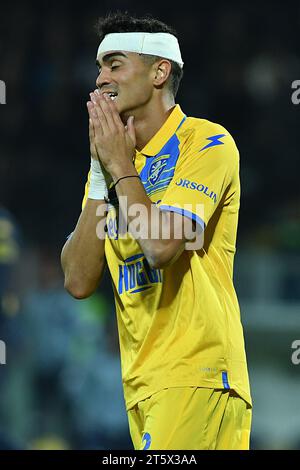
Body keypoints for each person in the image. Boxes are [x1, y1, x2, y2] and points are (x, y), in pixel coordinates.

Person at [61, 11, 252, 450]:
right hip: (143, 385)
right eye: (98, 67)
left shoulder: (205, 142)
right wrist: (98, 169)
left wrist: (119, 167)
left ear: (159, 72)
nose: (99, 79)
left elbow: (163, 246)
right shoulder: (115, 167)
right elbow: (77, 280)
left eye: (114, 64)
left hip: (196, 375)